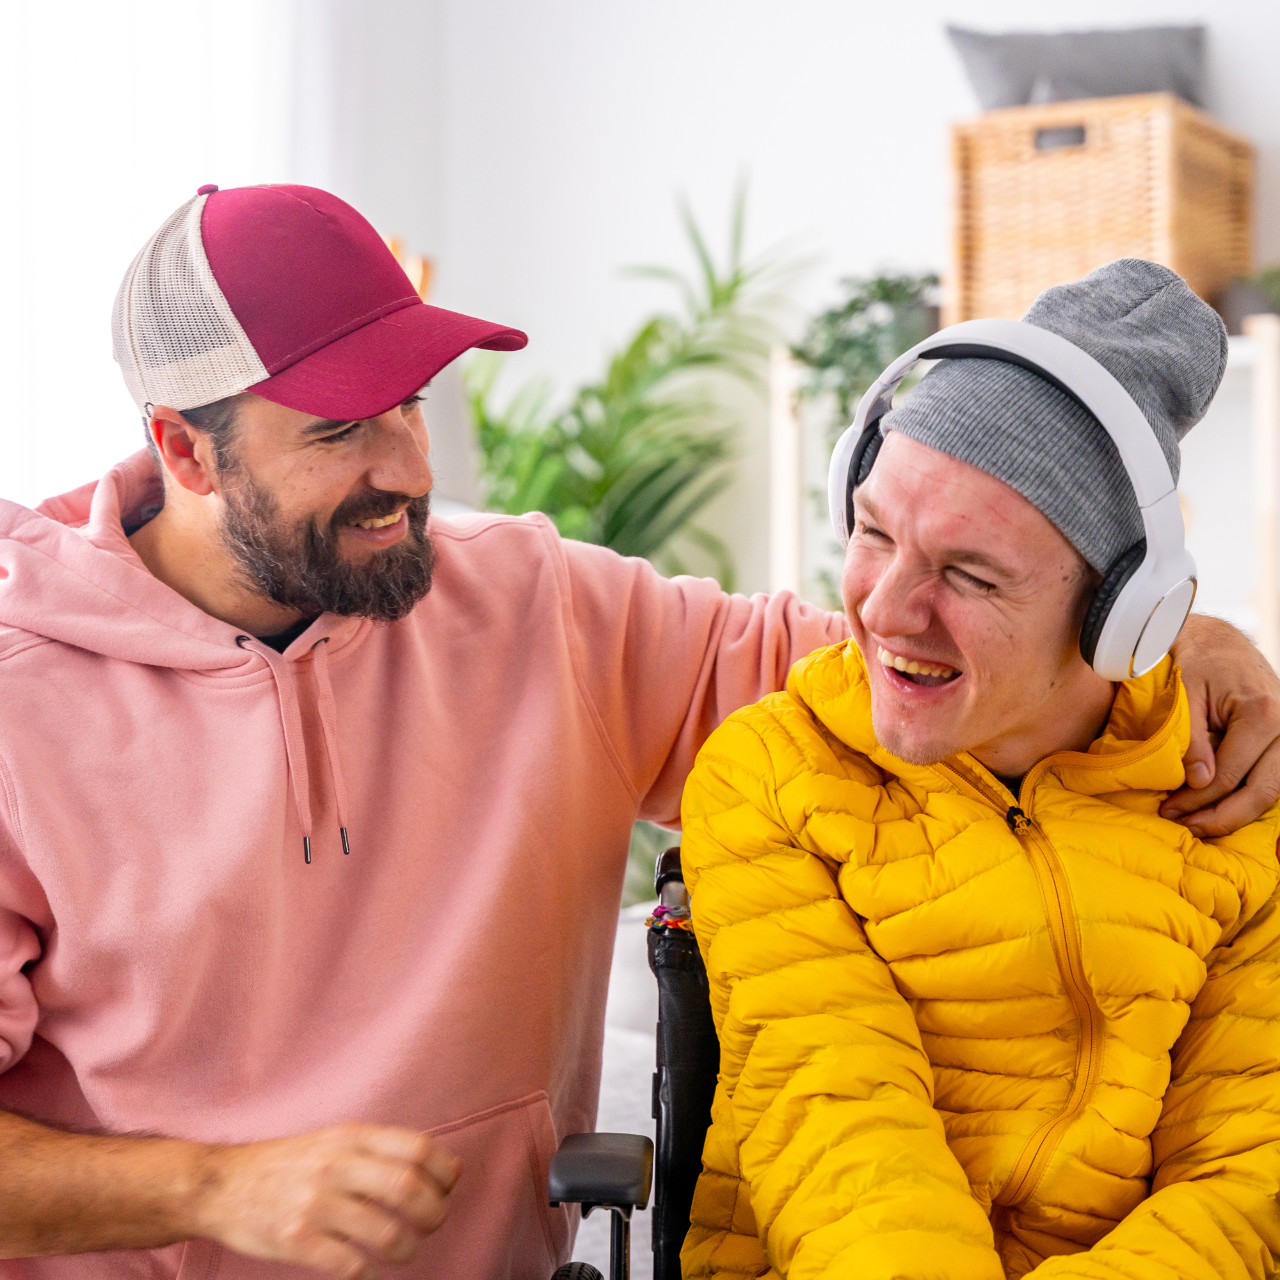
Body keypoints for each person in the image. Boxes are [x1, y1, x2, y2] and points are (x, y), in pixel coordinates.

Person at [0, 191, 1270, 1280]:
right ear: (185, 450)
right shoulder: (20, 706)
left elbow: (918, 670)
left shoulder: (539, 604)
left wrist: (1173, 641)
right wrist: (212, 1188)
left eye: (409, 403)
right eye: (338, 431)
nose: (407, 467)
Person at [679, 260, 1280, 1280]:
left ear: (1121, 613)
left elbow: (1244, 1173)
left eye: (967, 574)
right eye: (873, 532)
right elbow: (841, 1139)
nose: (883, 610)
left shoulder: (1233, 792)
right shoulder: (770, 774)